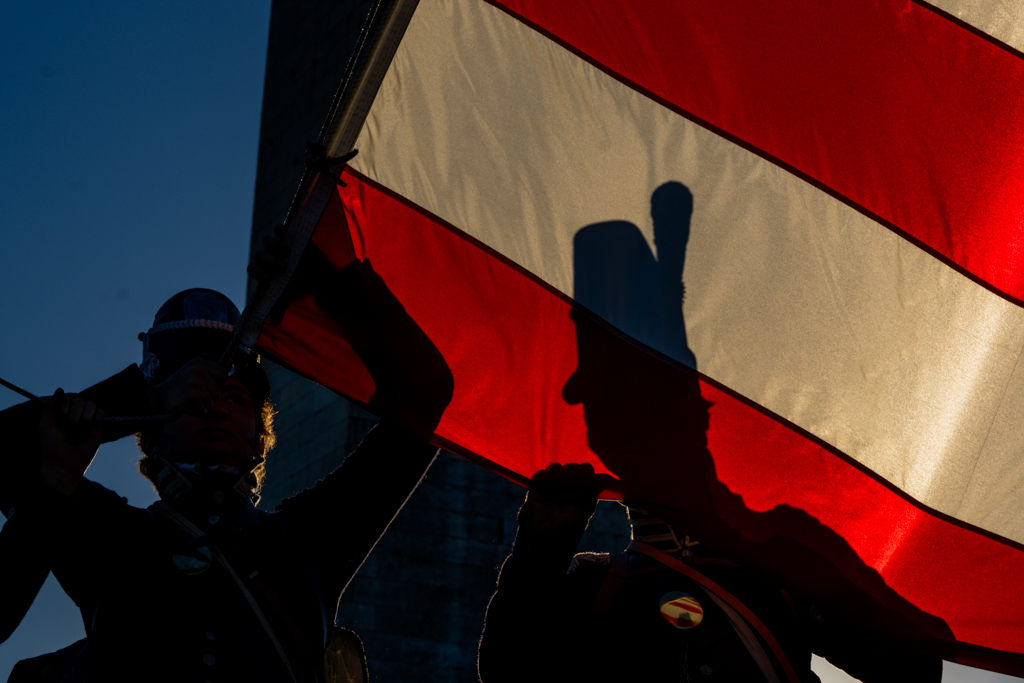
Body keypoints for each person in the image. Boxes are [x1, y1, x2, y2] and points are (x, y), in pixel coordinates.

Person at [0, 232, 453, 682]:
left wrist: (323, 282)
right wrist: (134, 400)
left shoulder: (309, 540)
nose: (214, 406)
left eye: (234, 398)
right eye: (191, 397)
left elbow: (427, 391)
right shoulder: (110, 536)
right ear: (150, 439)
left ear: (260, 440)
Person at [478, 463, 942, 683]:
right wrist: (543, 544)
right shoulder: (597, 583)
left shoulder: (784, 578)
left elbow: (908, 668)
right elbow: (509, 670)